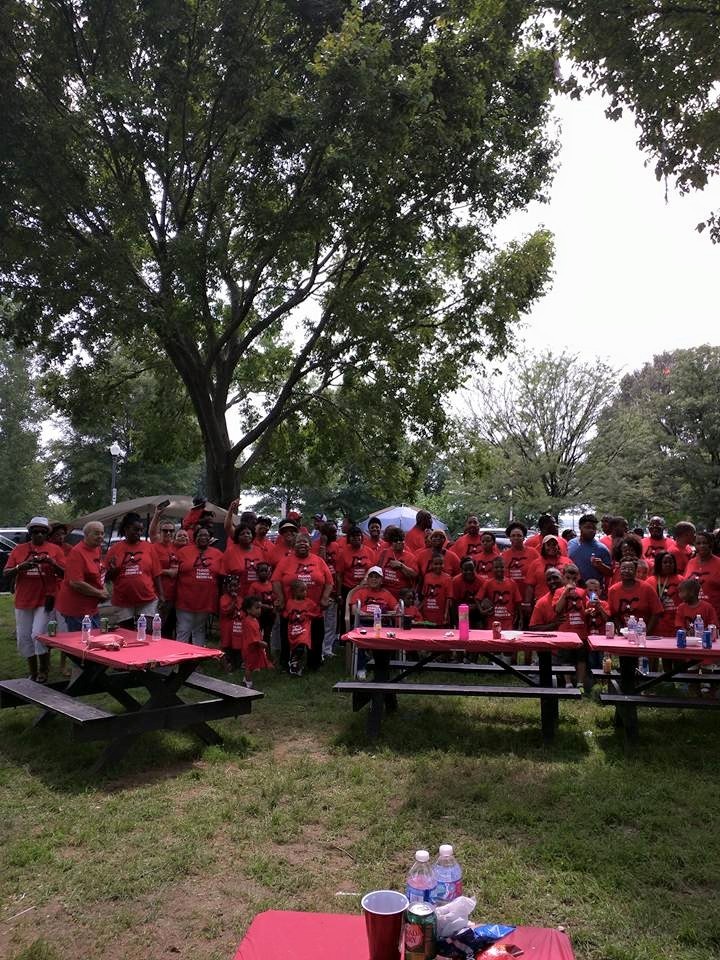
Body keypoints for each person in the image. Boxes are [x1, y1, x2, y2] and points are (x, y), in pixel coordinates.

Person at [5, 517, 66, 683]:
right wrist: (21, 567)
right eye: (35, 532)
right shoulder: (19, 550)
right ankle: (32, 671)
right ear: (30, 533)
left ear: (47, 534)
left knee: (38, 634)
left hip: (45, 599)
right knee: (24, 636)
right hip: (24, 599)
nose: (39, 535)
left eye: (43, 532)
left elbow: (65, 573)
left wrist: (52, 563)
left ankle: (43, 670)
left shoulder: (55, 550)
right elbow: (6, 572)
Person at [272, 533, 333, 670]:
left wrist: (324, 598)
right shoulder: (285, 561)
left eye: (305, 541)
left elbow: (329, 582)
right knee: (288, 637)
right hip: (291, 608)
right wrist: (280, 598)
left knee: (316, 637)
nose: (302, 544)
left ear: (310, 546)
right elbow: (275, 580)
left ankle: (314, 663)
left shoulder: (319, 561)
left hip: (314, 609)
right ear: (293, 546)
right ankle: (287, 663)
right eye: (299, 542)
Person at [105, 512, 163, 627]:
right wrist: (113, 570)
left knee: (147, 630)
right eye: (136, 529)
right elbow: (106, 577)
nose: (139, 533)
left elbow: (156, 573)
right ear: (126, 528)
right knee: (127, 632)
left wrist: (161, 595)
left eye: (141, 530)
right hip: (123, 600)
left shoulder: (149, 547)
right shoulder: (114, 549)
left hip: (147, 598)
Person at [175, 526, 223, 645]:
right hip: (185, 600)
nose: (203, 537)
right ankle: (181, 654)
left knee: (200, 630)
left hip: (206, 600)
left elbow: (221, 576)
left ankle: (197, 655)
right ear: (194, 538)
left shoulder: (218, 554)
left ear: (210, 538)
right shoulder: (183, 552)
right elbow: (175, 573)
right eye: (200, 535)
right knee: (183, 629)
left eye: (206, 535)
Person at [56, 521, 108, 631]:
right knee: (82, 639)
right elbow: (76, 583)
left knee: (95, 637)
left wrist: (103, 589)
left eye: (102, 533)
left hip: (91, 607)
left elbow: (99, 572)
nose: (100, 536)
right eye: (96, 533)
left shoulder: (97, 549)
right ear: (86, 534)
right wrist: (99, 593)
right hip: (76, 608)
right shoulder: (77, 552)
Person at [607, 559, 663, 632]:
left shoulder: (647, 588)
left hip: (645, 632)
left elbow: (657, 612)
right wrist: (621, 630)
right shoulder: (613, 590)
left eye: (630, 569)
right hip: (624, 632)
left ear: (635, 571)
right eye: (623, 568)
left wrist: (646, 632)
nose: (627, 571)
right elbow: (614, 614)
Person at [312, 522, 341, 659]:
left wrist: (338, 592)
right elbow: (320, 564)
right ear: (325, 534)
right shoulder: (314, 545)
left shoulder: (336, 546)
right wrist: (323, 545)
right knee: (320, 622)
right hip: (320, 590)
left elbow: (338, 569)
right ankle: (319, 649)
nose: (336, 534)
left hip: (333, 587)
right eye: (333, 532)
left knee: (331, 621)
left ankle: (327, 649)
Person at [502, 521, 539, 624]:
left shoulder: (533, 553)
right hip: (510, 599)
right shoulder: (504, 556)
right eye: (513, 536)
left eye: (519, 535)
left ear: (524, 538)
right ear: (509, 538)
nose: (516, 538)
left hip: (529, 598)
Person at [284, 580, 321, 677]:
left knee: (302, 644)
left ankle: (295, 664)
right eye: (302, 591)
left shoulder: (309, 602)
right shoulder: (290, 602)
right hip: (293, 628)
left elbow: (317, 612)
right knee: (295, 646)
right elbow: (286, 614)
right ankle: (294, 663)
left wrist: (308, 615)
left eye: (305, 590)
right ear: (294, 592)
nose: (305, 592)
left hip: (304, 628)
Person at [152, 519, 181, 637]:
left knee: (170, 628)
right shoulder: (154, 547)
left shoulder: (177, 548)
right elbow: (149, 569)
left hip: (175, 595)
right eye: (165, 530)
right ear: (160, 532)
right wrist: (167, 572)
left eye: (171, 530)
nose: (168, 533)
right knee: (158, 628)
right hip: (159, 594)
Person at [684, 530, 720, 622]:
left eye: (705, 543)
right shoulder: (690, 562)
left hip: (714, 616)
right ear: (695, 545)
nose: (702, 546)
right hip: (691, 616)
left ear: (711, 544)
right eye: (698, 543)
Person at [478, 555, 522, 631]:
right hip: (492, 620)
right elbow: (478, 598)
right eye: (496, 567)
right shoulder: (488, 583)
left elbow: (518, 602)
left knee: (507, 638)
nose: (499, 569)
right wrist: (482, 611)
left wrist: (521, 618)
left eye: (501, 567)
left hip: (508, 620)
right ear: (492, 569)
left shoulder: (512, 583)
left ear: (505, 568)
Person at [567, 514, 612, 587]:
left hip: (593, 591)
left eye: (594, 528)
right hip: (573, 589)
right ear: (580, 527)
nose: (591, 530)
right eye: (588, 527)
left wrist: (601, 566)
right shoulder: (571, 543)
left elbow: (610, 573)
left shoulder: (602, 549)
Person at [524, 535, 570, 605]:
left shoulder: (567, 561)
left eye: (554, 544)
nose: (552, 547)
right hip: (542, 602)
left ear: (558, 546)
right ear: (543, 547)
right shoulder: (535, 563)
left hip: (563, 601)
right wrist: (527, 604)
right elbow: (530, 586)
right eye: (548, 545)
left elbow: (574, 580)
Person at [222, 523, 266, 595]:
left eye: (248, 533)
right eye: (242, 534)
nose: (246, 535)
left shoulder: (259, 551)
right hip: (237, 595)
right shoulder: (230, 552)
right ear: (237, 537)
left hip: (257, 595)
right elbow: (224, 575)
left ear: (252, 535)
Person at [239, 595, 272, 687]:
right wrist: (261, 643)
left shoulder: (255, 620)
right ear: (248, 610)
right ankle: (248, 684)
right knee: (249, 667)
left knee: (252, 666)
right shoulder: (248, 622)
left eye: (260, 608)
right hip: (249, 649)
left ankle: (245, 680)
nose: (259, 610)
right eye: (257, 608)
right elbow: (252, 638)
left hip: (254, 648)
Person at [376, 529, 419, 598]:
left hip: (402, 594)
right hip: (384, 592)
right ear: (391, 542)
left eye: (401, 540)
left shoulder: (410, 557)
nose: (399, 542)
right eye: (396, 540)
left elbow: (415, 575)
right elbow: (377, 569)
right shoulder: (384, 553)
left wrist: (401, 566)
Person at [647, 551, 681, 637]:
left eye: (671, 562)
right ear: (659, 564)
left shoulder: (681, 580)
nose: (668, 564)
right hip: (655, 625)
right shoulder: (650, 581)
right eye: (665, 562)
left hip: (675, 624)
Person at [245, 561, 276, 644]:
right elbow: (251, 600)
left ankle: (267, 650)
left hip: (270, 615)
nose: (264, 573)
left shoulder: (271, 584)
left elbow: (275, 598)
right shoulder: (254, 585)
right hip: (258, 615)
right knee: (258, 633)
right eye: (261, 571)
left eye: (265, 571)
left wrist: (274, 606)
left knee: (267, 635)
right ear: (257, 573)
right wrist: (262, 605)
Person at [419, 554, 452, 625]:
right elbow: (425, 596)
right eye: (436, 564)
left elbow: (448, 599)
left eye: (441, 564)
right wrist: (419, 609)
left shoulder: (447, 578)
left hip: (440, 613)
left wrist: (446, 614)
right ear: (431, 564)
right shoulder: (427, 576)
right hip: (427, 612)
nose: (438, 566)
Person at [452, 557, 485, 628]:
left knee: (479, 630)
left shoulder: (481, 581)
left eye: (471, 569)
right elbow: (454, 602)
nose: (469, 572)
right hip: (462, 612)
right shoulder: (455, 581)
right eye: (466, 570)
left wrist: (477, 606)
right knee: (463, 631)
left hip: (477, 612)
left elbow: (484, 600)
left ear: (475, 569)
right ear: (461, 570)